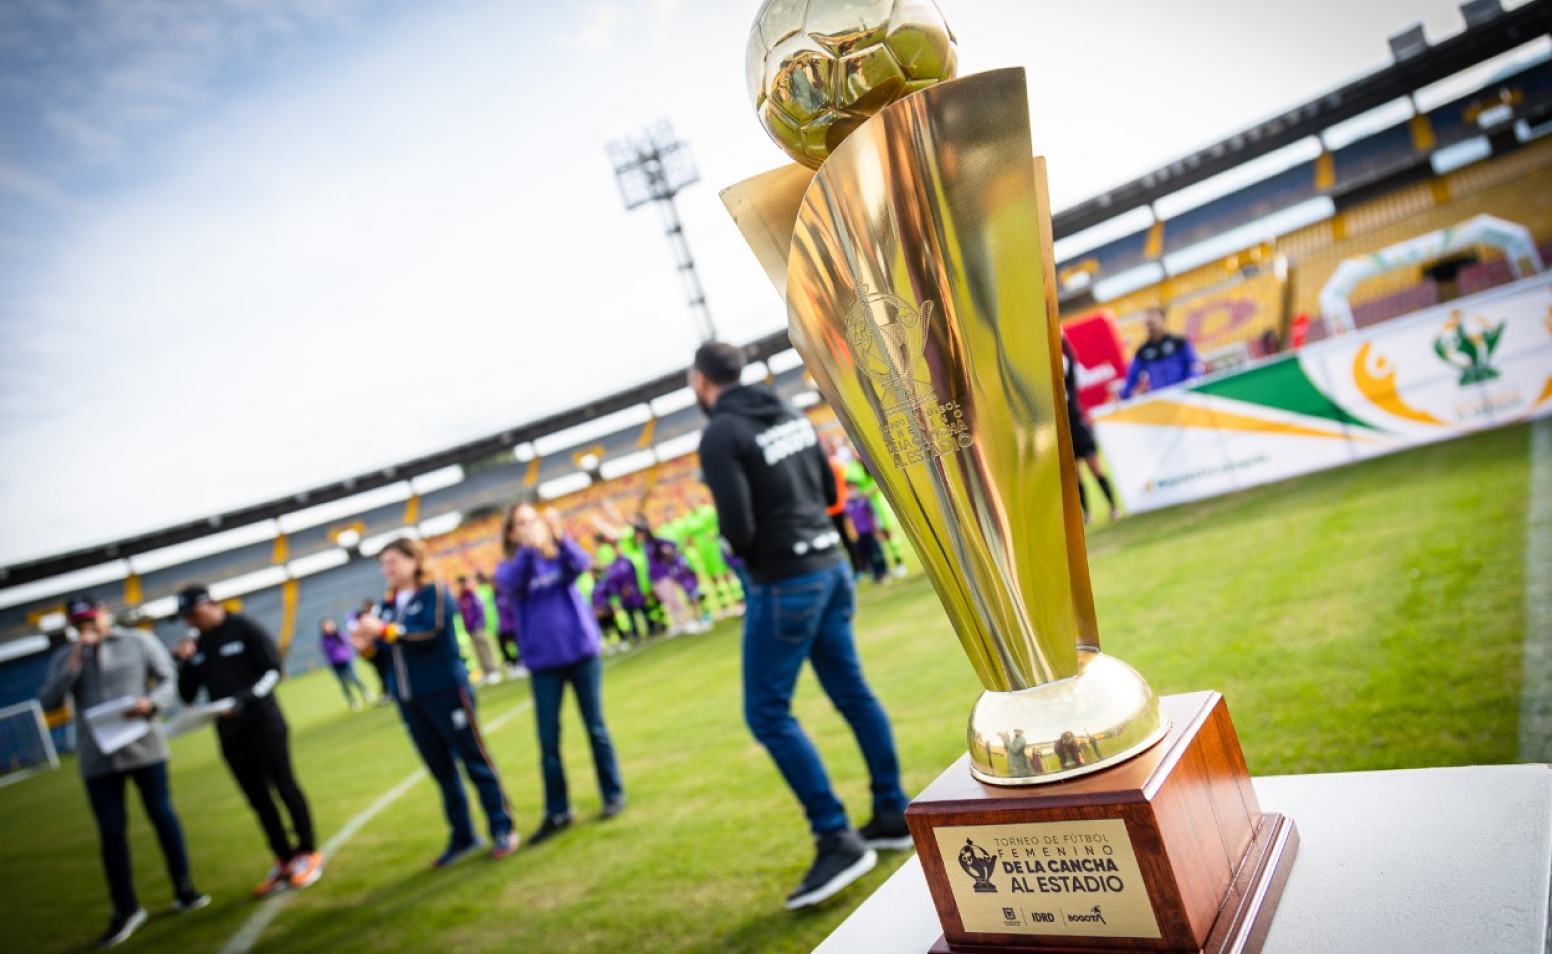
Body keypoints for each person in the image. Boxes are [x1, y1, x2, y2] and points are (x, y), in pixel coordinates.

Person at [689, 341, 912, 911]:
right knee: (853, 693)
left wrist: (733, 541)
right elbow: (826, 486)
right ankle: (891, 813)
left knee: (766, 712)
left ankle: (835, 836)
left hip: (787, 580)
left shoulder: (720, 434)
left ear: (700, 380)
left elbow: (736, 528)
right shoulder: (789, 410)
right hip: (829, 565)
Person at [38, 595, 208, 948]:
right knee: (111, 832)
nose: (86, 626)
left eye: (90, 619)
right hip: (97, 756)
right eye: (78, 622)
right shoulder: (66, 657)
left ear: (103, 615)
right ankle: (126, 908)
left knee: (162, 815)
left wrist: (152, 704)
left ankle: (184, 887)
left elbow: (168, 682)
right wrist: (73, 663)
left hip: (143, 745)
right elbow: (48, 702)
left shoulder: (138, 641)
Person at [351, 538, 520, 865]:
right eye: (383, 564)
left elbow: (429, 632)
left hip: (445, 690)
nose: (388, 569)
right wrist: (367, 648)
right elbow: (387, 656)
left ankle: (503, 826)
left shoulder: (434, 593)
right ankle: (463, 836)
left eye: (393, 561)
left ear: (414, 561)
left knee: (474, 760)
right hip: (410, 700)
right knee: (441, 771)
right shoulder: (386, 605)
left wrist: (385, 630)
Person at [172, 585, 323, 897]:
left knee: (284, 785)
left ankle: (307, 852)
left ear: (210, 604)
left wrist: (246, 699)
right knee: (257, 798)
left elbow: (273, 671)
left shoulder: (244, 628)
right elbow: (187, 694)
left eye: (194, 614)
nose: (190, 622)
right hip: (229, 733)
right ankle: (282, 857)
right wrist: (184, 663)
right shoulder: (197, 644)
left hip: (264, 723)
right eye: (186, 618)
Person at [496, 503, 627, 845]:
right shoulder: (511, 566)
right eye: (521, 524)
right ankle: (557, 810)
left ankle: (612, 793)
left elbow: (581, 565)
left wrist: (560, 535)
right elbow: (513, 586)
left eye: (532, 521)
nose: (528, 528)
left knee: (595, 727)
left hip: (580, 652)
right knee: (548, 741)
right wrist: (528, 549)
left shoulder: (558, 554)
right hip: (543, 662)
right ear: (511, 533)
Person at [1061, 332, 1121, 523]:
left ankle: (1113, 507)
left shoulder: (1069, 385)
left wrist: (1061, 337)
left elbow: (1070, 359)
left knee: (1096, 469)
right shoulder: (1048, 393)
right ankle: (1086, 514)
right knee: (1076, 477)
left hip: (1079, 429)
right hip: (1064, 435)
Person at [1119, 307, 1203, 399]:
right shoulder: (1143, 351)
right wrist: (1125, 395)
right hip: (1161, 400)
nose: (1152, 327)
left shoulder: (1179, 342)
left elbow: (1194, 364)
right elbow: (1132, 375)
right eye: (1149, 324)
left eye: (1154, 322)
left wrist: (1192, 382)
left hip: (1183, 395)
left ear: (1163, 320)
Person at [456, 575, 503, 685]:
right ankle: (486, 671)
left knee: (484, 649)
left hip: (477, 627)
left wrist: (479, 623)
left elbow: (479, 609)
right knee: (478, 651)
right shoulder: (462, 597)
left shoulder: (471, 595)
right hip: (470, 629)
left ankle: (493, 671)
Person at [843, 479, 890, 583]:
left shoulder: (864, 500)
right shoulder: (847, 504)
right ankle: (876, 574)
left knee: (877, 553)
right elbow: (847, 520)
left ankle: (883, 572)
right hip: (859, 534)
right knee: (867, 555)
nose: (851, 490)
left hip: (870, 531)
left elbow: (872, 515)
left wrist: (876, 530)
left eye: (852, 487)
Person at [319, 618, 369, 710]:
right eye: (325, 626)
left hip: (346, 661)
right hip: (335, 664)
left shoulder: (339, 636)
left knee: (354, 678)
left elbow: (349, 643)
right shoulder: (324, 641)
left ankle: (365, 693)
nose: (328, 628)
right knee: (344, 683)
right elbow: (326, 653)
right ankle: (352, 701)